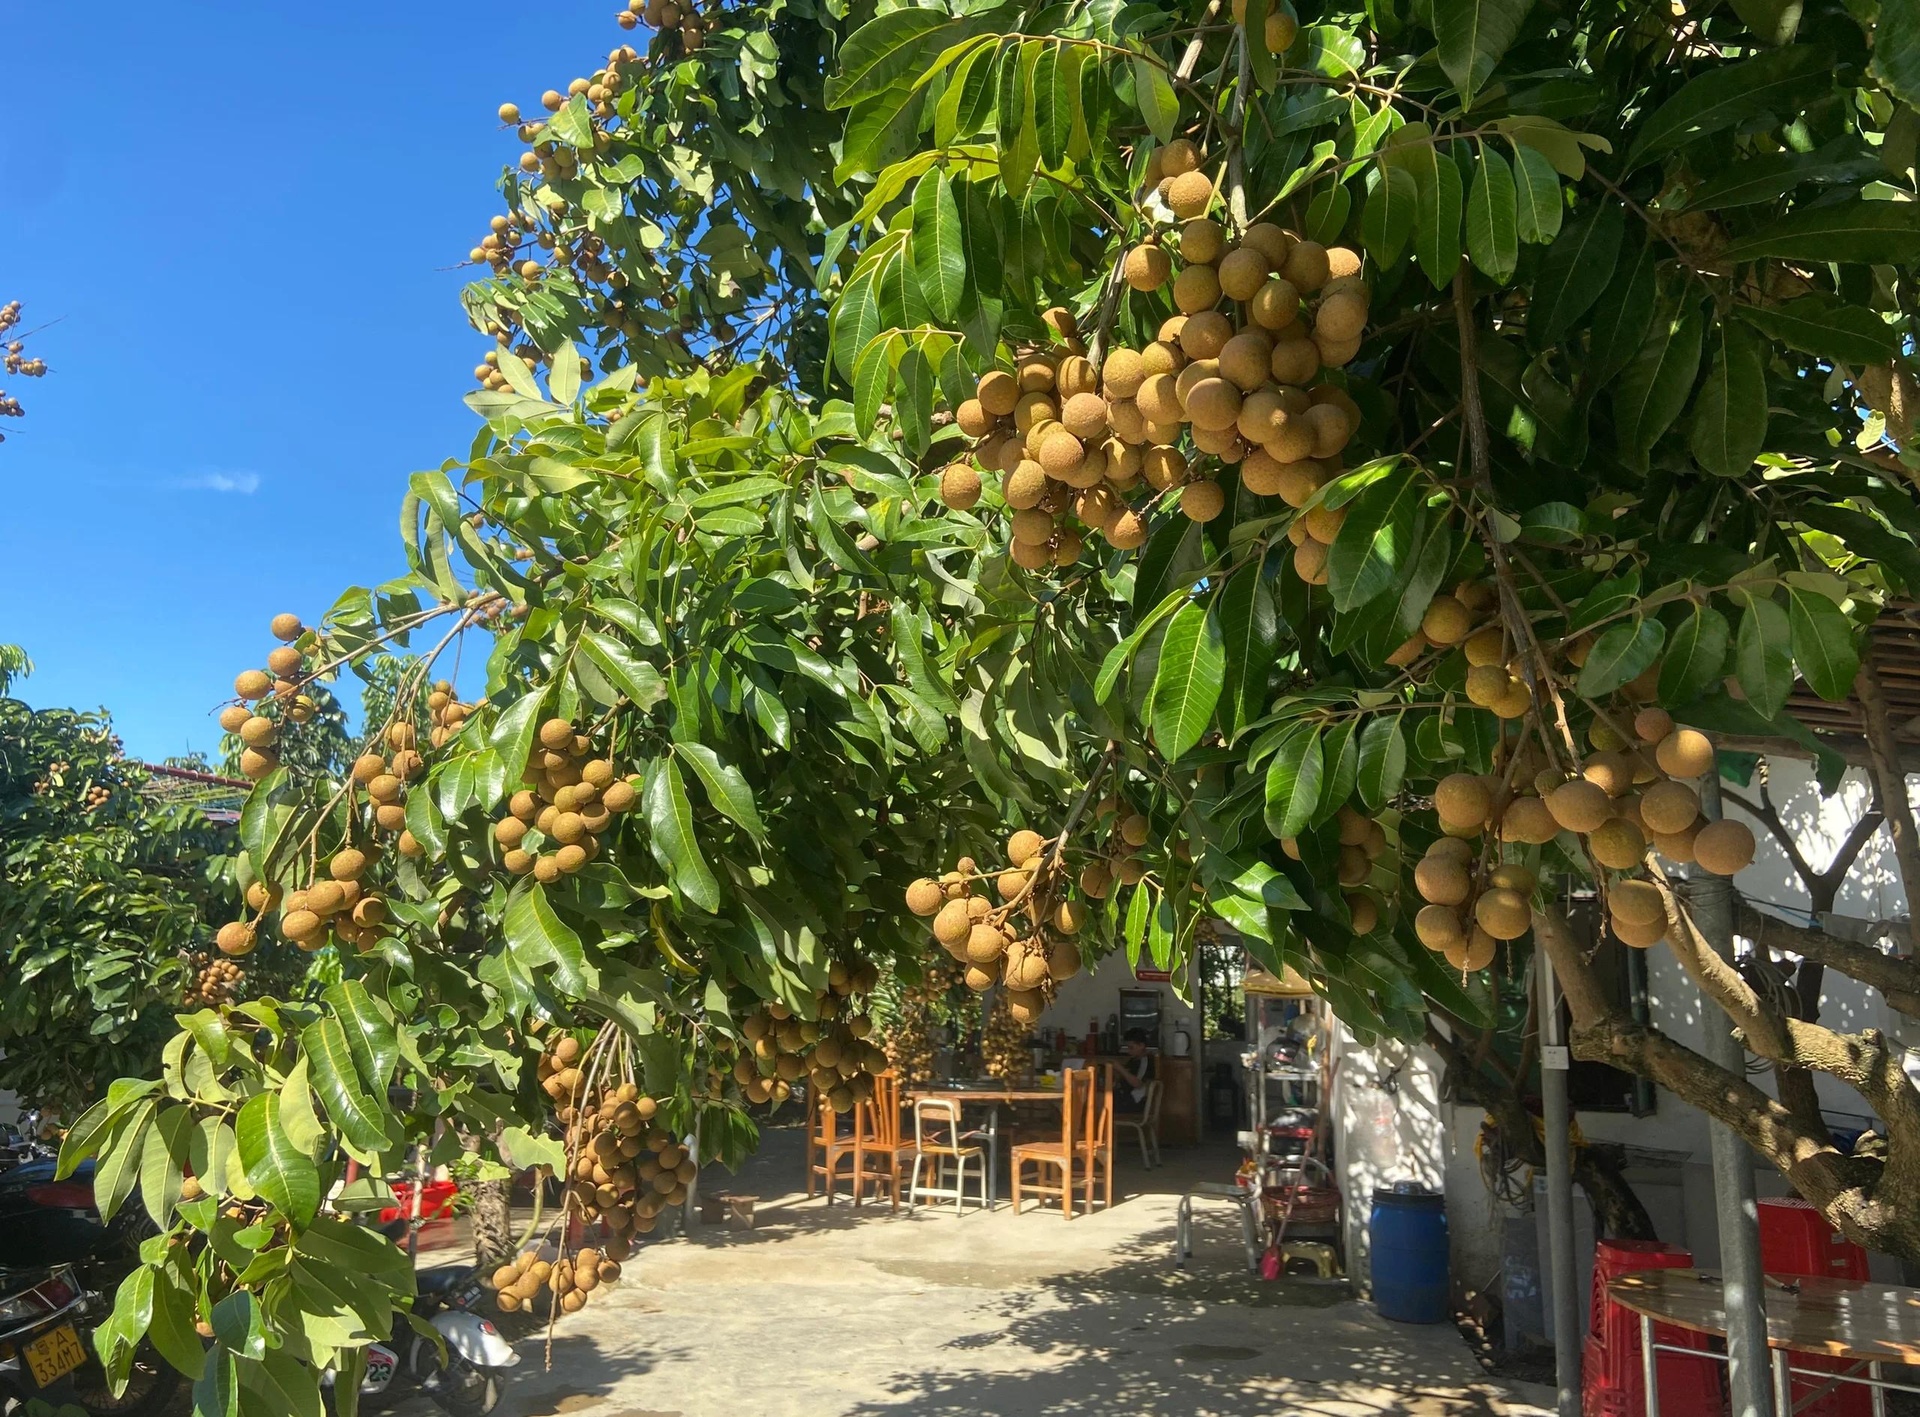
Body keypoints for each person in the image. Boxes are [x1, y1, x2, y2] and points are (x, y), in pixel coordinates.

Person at [1113, 1030, 1154, 1114]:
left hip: (1134, 1102)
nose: (1129, 1051)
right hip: (1125, 1097)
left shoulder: (1146, 1061)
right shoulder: (1133, 1060)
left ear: (1142, 1046)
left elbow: (1138, 1084)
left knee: (1101, 1097)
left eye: (1131, 1048)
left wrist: (1120, 1068)